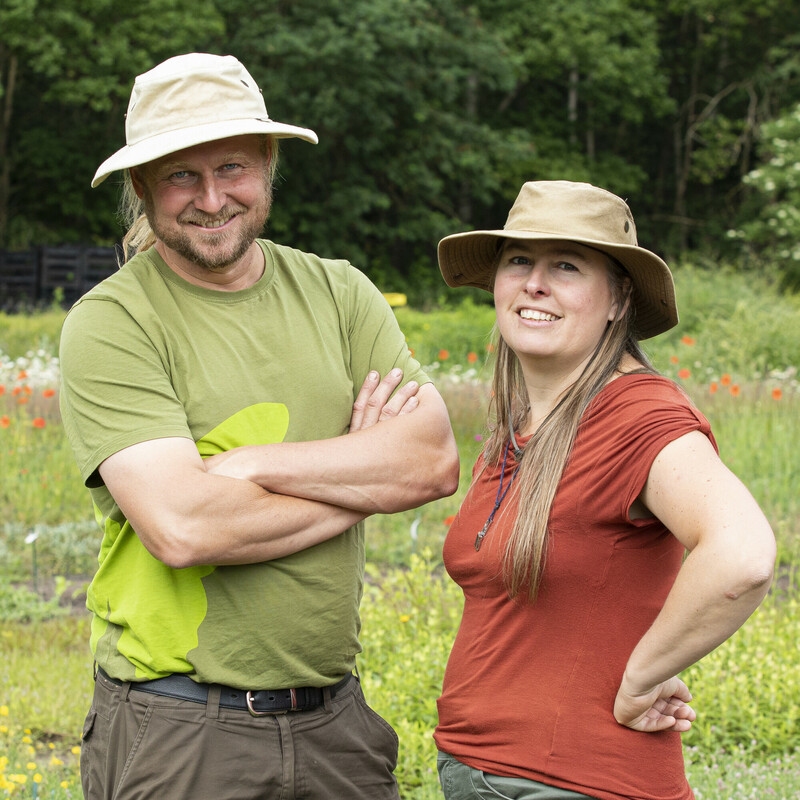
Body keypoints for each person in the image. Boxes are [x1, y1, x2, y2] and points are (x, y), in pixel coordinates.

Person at [59, 52, 459, 800]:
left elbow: (432, 462)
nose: (212, 198)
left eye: (233, 167)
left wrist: (245, 468)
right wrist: (363, 475)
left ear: (268, 166)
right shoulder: (113, 323)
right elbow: (183, 528)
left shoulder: (341, 294)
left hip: (336, 722)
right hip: (180, 730)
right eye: (181, 174)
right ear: (142, 188)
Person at [432, 180, 776, 800]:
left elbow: (743, 553)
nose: (535, 283)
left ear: (619, 299)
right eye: (520, 261)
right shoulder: (526, 420)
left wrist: (643, 678)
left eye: (566, 265)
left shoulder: (637, 417)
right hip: (486, 772)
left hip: (574, 782)